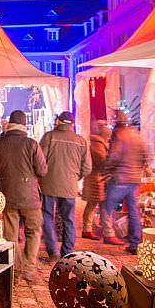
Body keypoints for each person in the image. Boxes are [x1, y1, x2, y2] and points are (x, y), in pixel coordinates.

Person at [0, 110, 48, 282]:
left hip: (7, 195)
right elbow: (42, 170)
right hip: (30, 197)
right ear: (25, 124)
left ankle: (14, 269)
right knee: (33, 231)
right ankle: (29, 269)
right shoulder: (31, 144)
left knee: (10, 235)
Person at [38, 111, 91, 259]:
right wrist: (74, 178)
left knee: (47, 216)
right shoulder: (80, 141)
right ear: (72, 124)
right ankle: (67, 251)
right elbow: (87, 167)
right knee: (69, 218)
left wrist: (43, 176)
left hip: (49, 184)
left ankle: (52, 250)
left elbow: (40, 160)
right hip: (70, 186)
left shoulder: (49, 137)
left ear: (58, 122)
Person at [102, 111, 147, 254]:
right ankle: (135, 243)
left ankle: (108, 233)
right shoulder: (136, 135)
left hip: (121, 179)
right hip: (134, 179)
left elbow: (115, 156)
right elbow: (145, 156)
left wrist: (105, 168)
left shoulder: (119, 136)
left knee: (106, 206)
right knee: (134, 212)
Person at [82, 120, 112, 241]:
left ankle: (91, 229)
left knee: (93, 205)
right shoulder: (97, 145)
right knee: (95, 205)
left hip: (97, 179)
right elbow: (102, 161)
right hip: (96, 180)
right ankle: (91, 230)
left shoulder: (97, 143)